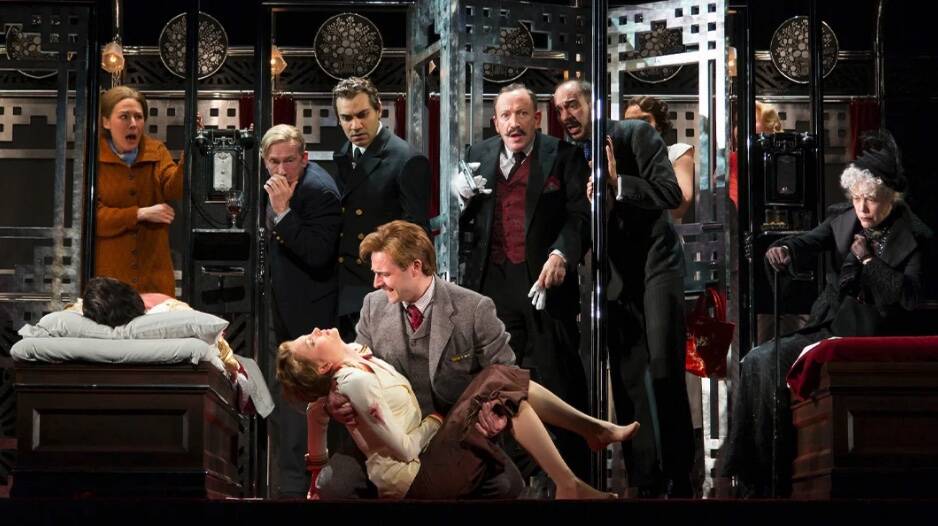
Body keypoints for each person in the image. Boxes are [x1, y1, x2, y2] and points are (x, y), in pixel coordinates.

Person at [719, 130, 932, 497]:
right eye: (857, 198)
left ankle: (776, 478)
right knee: (756, 360)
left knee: (770, 362)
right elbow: (808, 240)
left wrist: (869, 261)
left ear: (891, 198)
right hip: (828, 326)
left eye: (871, 200)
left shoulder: (913, 237)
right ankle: (757, 474)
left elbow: (910, 298)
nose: (863, 209)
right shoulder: (844, 219)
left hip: (871, 332)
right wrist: (785, 249)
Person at [278, 326, 639, 500]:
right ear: (322, 366)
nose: (315, 331)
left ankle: (573, 474)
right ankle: (588, 442)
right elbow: (405, 449)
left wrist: (314, 474)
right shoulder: (353, 382)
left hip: (427, 459)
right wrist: (434, 421)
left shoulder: (358, 355)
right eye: (310, 341)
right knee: (497, 380)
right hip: (416, 479)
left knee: (505, 391)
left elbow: (315, 414)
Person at [553, 79, 695, 497]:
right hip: (613, 273)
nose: (566, 115)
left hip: (656, 265)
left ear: (593, 104)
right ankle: (644, 479)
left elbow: (671, 194)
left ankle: (680, 475)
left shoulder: (635, 134)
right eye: (559, 109)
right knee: (629, 376)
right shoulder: (569, 157)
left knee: (664, 368)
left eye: (573, 105)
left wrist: (619, 184)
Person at [317, 220, 524, 499]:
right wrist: (335, 398)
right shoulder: (373, 306)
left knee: (506, 485)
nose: (376, 283)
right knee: (333, 485)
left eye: (384, 274)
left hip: (453, 435)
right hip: (387, 434)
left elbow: (508, 373)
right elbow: (355, 366)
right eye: (375, 274)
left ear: (415, 267)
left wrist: (494, 408)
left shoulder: (474, 308)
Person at [457, 83, 592, 479]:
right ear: (495, 122)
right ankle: (513, 480)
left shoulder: (563, 156)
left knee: (558, 381)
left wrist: (561, 254)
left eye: (521, 114)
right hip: (493, 286)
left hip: (546, 285)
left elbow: (580, 216)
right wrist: (459, 200)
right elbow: (465, 223)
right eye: (506, 115)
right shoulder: (477, 155)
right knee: (501, 386)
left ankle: (575, 480)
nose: (514, 123)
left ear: (537, 118)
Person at [260, 124, 342, 498]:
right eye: (274, 161)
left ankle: (299, 487)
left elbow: (318, 254)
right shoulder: (277, 185)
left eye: (289, 161)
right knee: (285, 397)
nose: (281, 169)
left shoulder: (318, 191)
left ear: (304, 158)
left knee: (302, 401)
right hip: (282, 307)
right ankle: (290, 482)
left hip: (310, 315)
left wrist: (283, 212)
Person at [331, 77, 431, 341]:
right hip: (345, 285)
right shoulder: (343, 154)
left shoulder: (406, 159)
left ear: (379, 110)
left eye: (362, 115)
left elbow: (416, 235)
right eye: (347, 118)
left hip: (381, 286)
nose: (355, 125)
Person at [94, 86, 195, 296]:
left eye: (138, 117)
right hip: (110, 280)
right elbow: (94, 219)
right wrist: (140, 213)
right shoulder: (93, 158)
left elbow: (174, 189)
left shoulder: (156, 151)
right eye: (124, 116)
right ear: (106, 122)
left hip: (154, 276)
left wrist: (189, 156)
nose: (133, 123)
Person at [624, 96, 695, 223]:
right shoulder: (621, 158)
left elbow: (679, 208)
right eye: (630, 123)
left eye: (644, 121)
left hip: (665, 233)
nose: (637, 128)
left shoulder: (677, 152)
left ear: (659, 126)